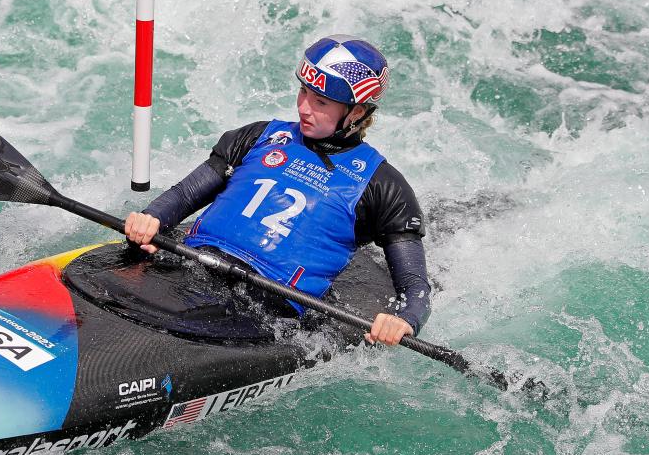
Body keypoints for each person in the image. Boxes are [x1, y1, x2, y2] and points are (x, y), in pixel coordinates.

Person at [124, 34, 431, 346]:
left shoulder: (383, 186)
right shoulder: (259, 136)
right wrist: (152, 217)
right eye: (303, 92)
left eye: (320, 102)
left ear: (356, 113)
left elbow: (415, 287)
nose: (304, 108)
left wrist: (405, 320)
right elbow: (184, 195)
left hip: (263, 310)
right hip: (189, 266)